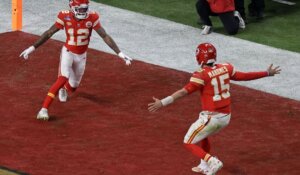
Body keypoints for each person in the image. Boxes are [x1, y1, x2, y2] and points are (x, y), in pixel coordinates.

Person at [148, 43, 281, 174]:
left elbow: (183, 92)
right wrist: (266, 73)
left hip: (212, 117)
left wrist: (163, 102)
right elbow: (244, 76)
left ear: (199, 57)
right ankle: (204, 165)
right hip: (226, 116)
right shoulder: (226, 67)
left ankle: (211, 161)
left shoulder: (201, 75)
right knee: (204, 135)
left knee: (187, 142)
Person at [20, 0, 133, 121]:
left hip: (82, 55)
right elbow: (49, 33)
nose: (83, 12)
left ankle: (64, 89)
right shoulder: (64, 16)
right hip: (68, 52)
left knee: (73, 86)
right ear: (72, 8)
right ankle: (44, 109)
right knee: (63, 78)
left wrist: (119, 53)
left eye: (85, 9)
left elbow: (104, 35)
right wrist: (32, 48)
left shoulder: (92, 17)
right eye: (80, 9)